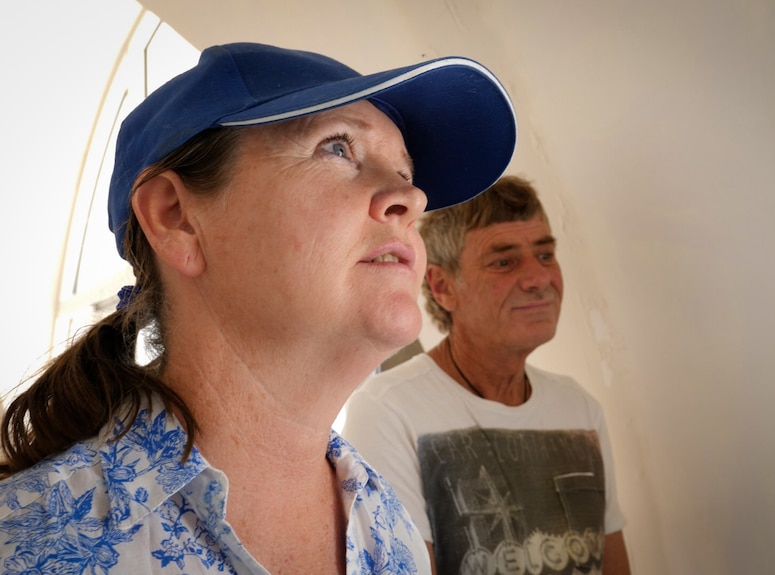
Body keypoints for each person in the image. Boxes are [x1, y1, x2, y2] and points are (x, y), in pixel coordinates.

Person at [0, 42, 516, 574]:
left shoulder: (391, 531)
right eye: (338, 148)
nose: (412, 199)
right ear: (175, 217)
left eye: (407, 175)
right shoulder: (27, 548)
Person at [341, 175, 632, 574]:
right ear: (443, 286)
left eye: (546, 256)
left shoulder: (579, 408)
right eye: (504, 261)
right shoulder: (389, 409)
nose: (538, 279)